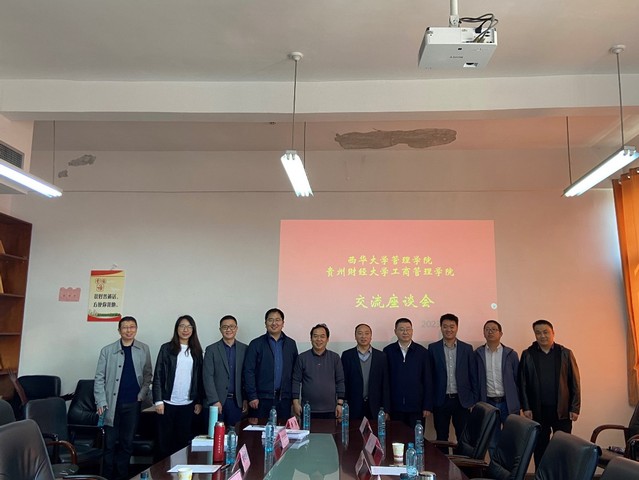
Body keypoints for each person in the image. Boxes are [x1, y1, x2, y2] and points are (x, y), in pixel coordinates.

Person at [94, 316, 152, 480]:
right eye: (125, 327)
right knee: (109, 444)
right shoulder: (107, 350)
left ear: (136, 329)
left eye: (132, 327)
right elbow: (99, 378)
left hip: (133, 403)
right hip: (111, 404)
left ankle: (122, 476)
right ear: (119, 330)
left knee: (127, 443)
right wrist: (101, 401)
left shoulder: (144, 349)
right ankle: (106, 476)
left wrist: (141, 395)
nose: (129, 330)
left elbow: (148, 375)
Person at [519, 319, 580, 467]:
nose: (542, 336)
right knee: (540, 447)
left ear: (553, 333)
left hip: (562, 410)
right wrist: (526, 407)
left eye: (545, 332)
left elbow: (575, 382)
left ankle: (562, 475)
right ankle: (541, 475)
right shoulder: (528, 354)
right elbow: (522, 383)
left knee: (563, 446)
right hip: (538, 410)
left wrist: (575, 407)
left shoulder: (565, 353)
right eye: (538, 333)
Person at [152, 315, 203, 460]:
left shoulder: (196, 351)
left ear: (193, 330)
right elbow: (158, 374)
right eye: (182, 326)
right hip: (167, 403)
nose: (185, 329)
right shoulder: (166, 348)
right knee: (163, 445)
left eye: (189, 326)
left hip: (187, 404)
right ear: (176, 329)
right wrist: (158, 401)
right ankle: (161, 472)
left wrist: (198, 401)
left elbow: (199, 379)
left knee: (181, 444)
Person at [243, 308, 298, 421]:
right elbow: (248, 371)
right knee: (260, 430)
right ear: (265, 323)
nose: (274, 323)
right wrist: (252, 396)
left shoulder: (291, 344)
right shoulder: (256, 344)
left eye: (277, 320)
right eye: (270, 320)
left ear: (283, 323)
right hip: (260, 400)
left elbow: (295, 373)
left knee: (283, 430)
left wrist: (294, 398)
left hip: (284, 399)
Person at [429, 313, 477, 442]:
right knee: (441, 437)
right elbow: (430, 377)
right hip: (441, 400)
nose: (448, 329)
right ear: (441, 327)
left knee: (463, 437)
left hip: (462, 401)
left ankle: (460, 457)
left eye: (452, 326)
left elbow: (473, 375)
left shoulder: (467, 348)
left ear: (457, 327)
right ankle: (442, 457)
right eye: (445, 326)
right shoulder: (433, 348)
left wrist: (473, 400)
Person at [383, 318, 433, 428]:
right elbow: (385, 382)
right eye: (401, 329)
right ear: (395, 331)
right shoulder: (388, 351)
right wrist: (386, 408)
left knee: (416, 437)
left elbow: (427, 380)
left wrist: (427, 405)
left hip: (417, 407)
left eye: (408, 329)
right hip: (395, 407)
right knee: (396, 437)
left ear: (412, 331)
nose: (405, 332)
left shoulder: (422, 352)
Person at [292, 323, 346, 419]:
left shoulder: (335, 358)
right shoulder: (302, 358)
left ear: (327, 339)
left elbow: (340, 381)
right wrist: (295, 403)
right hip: (307, 409)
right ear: (311, 338)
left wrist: (340, 404)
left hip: (331, 409)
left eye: (322, 336)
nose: (319, 339)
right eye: (315, 336)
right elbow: (296, 381)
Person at [203, 314, 248, 426]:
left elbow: (246, 375)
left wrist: (245, 398)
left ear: (236, 328)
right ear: (220, 329)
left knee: (235, 433)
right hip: (217, 402)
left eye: (232, 326)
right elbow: (207, 377)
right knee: (216, 433)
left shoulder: (244, 349)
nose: (228, 329)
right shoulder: (211, 350)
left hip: (237, 402)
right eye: (225, 327)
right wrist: (214, 400)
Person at [341, 323, 391, 420]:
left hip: (375, 406)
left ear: (371, 336)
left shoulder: (381, 356)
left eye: (367, 333)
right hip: (353, 405)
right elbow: (344, 382)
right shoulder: (347, 355)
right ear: (355, 336)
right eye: (360, 333)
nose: (363, 336)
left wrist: (386, 409)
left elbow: (385, 384)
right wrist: (343, 405)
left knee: (375, 430)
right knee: (354, 430)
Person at [475, 320, 520, 423]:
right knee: (492, 432)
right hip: (488, 403)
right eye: (487, 329)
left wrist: (519, 402)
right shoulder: (477, 354)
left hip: (508, 402)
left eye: (494, 329)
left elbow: (518, 379)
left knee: (511, 431)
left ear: (500, 333)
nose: (490, 332)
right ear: (484, 333)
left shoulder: (511, 354)